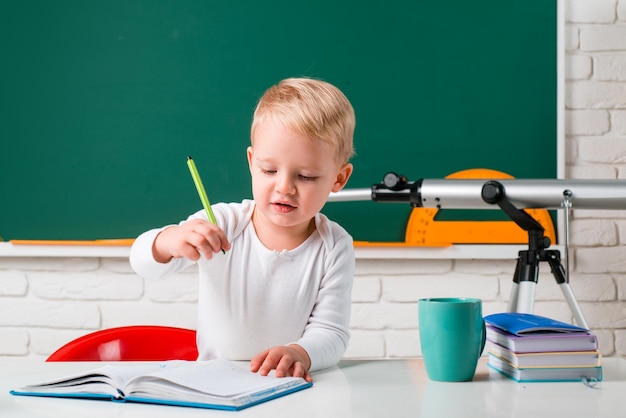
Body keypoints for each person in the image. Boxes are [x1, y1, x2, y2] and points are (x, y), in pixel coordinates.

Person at [130, 77, 356, 382]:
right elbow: (144, 264)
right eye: (269, 170)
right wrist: (168, 242)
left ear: (338, 180)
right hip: (215, 385)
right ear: (252, 163)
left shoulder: (334, 245)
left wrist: (301, 353)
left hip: (288, 386)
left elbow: (331, 332)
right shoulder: (222, 222)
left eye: (306, 176)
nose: (284, 187)